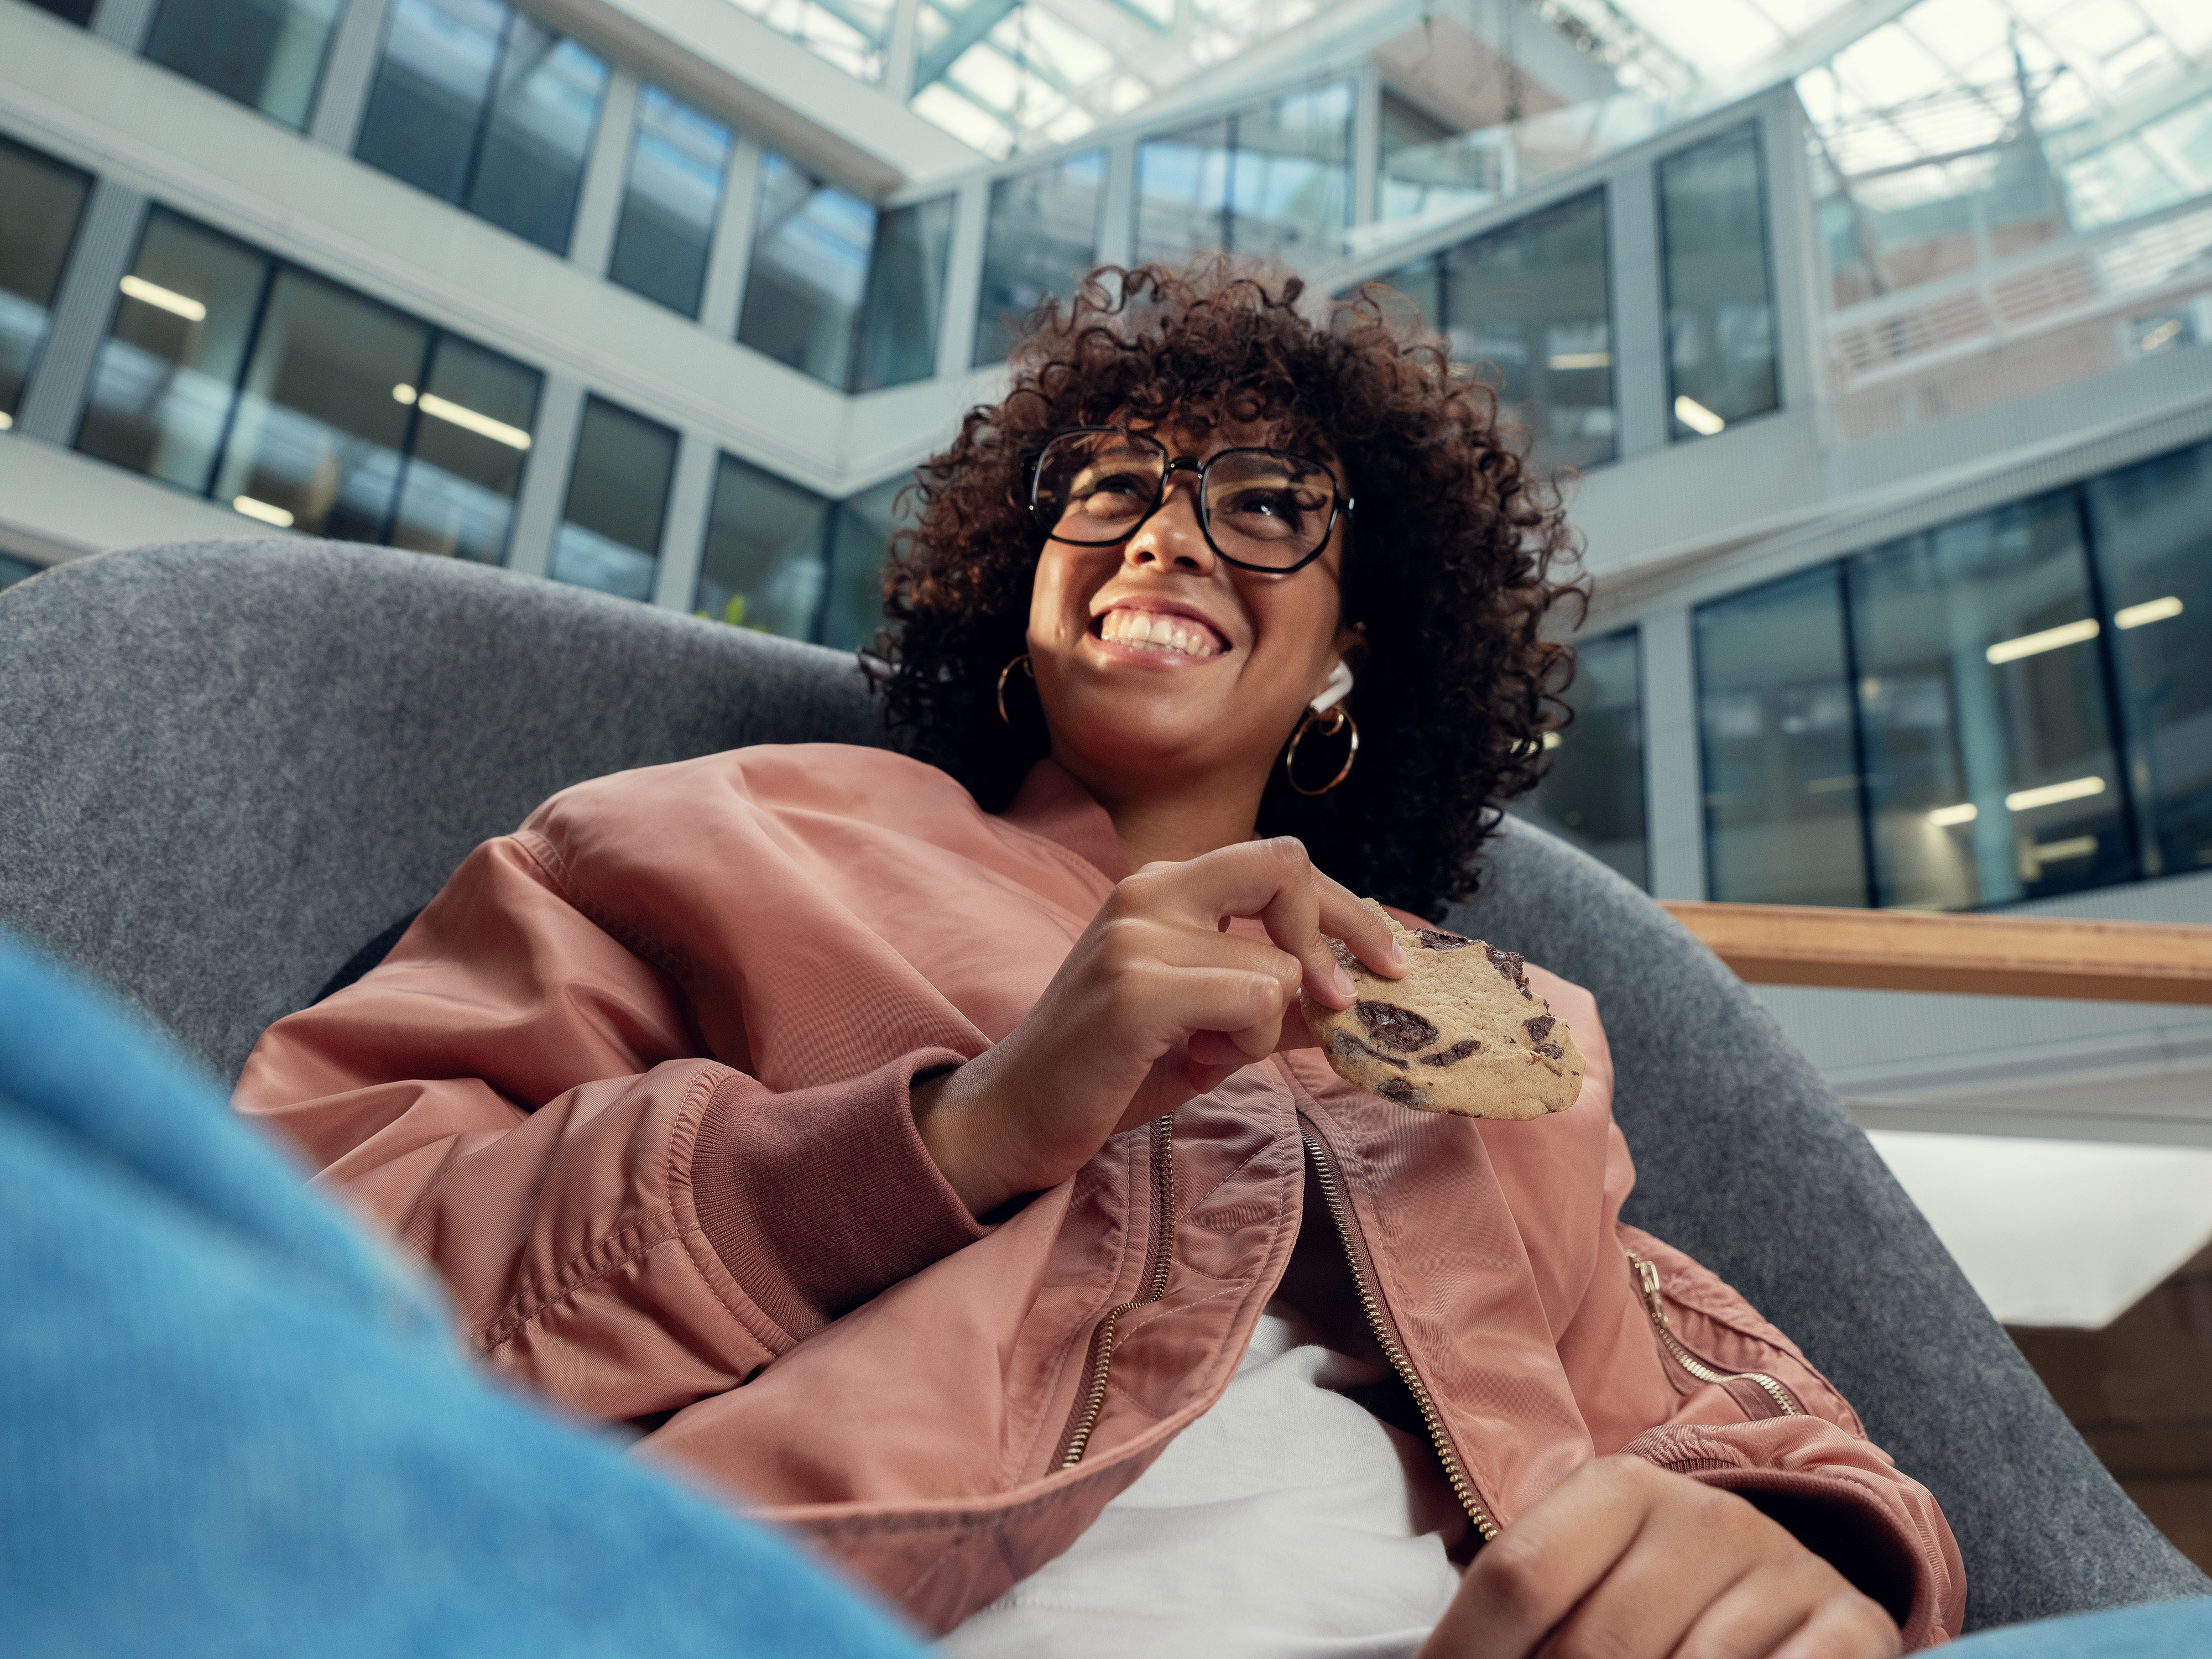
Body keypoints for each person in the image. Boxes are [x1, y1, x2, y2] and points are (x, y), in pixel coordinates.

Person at [233, 261, 1964, 1657]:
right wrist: (954, 1135)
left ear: (1354, 648)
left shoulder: (1491, 1029)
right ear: (1027, 577)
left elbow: (1687, 1393)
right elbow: (302, 1265)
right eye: (1114, 489)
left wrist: (1793, 1554)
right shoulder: (729, 831)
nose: (1168, 533)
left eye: (1265, 504)